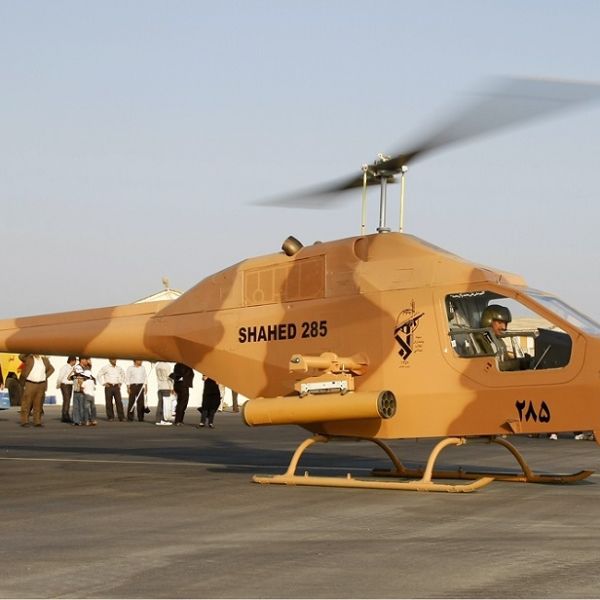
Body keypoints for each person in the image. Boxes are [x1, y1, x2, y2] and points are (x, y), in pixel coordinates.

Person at [480, 305, 532, 371]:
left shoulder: (498, 341)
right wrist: (518, 363)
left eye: (505, 323)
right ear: (488, 321)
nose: (504, 327)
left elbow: (505, 360)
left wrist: (523, 361)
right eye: (500, 323)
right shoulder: (480, 341)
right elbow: (489, 366)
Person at [18, 353, 55, 427]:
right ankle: (24, 421)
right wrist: (30, 350)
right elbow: (20, 356)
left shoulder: (45, 360)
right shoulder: (29, 358)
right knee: (26, 403)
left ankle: (37, 421)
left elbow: (52, 369)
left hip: (41, 384)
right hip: (30, 383)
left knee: (38, 404)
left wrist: (45, 376)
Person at [69, 357, 92, 426]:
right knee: (78, 406)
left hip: (82, 389)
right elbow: (79, 378)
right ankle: (78, 420)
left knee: (82, 406)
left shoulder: (86, 368)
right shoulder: (78, 367)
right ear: (81, 360)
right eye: (85, 360)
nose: (87, 361)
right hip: (79, 389)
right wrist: (82, 387)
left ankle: (82, 420)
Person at [56, 356, 76, 423]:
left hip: (70, 385)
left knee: (68, 400)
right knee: (66, 400)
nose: (75, 362)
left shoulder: (72, 368)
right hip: (65, 385)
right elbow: (60, 377)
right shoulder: (65, 367)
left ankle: (66, 414)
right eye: (75, 361)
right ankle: (65, 416)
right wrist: (58, 384)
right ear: (72, 360)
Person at [155, 361, 174, 425]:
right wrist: (171, 387)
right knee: (165, 405)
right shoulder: (167, 366)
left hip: (160, 386)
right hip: (166, 387)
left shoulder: (157, 366)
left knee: (160, 404)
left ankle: (158, 420)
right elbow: (169, 377)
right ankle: (163, 420)